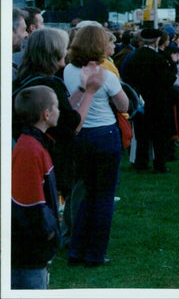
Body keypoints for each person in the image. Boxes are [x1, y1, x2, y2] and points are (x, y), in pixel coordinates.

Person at [13, 27, 104, 243]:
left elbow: (60, 114)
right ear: (53, 52)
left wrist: (81, 88)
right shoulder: (49, 84)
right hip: (49, 156)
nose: (68, 51)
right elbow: (71, 125)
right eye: (65, 47)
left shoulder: (29, 78)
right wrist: (90, 92)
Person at [63, 24, 129, 267]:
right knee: (103, 197)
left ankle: (76, 249)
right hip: (105, 133)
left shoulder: (68, 70)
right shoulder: (106, 74)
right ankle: (95, 253)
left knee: (87, 195)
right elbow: (124, 105)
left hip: (81, 135)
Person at [11, 86, 61, 289]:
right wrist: (48, 235)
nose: (60, 110)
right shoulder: (30, 151)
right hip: (29, 255)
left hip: (32, 250)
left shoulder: (35, 144)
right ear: (46, 114)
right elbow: (30, 206)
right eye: (56, 105)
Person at [122, 28, 178, 173]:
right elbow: (169, 79)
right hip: (158, 101)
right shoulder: (159, 59)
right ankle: (160, 164)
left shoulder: (134, 57)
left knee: (142, 135)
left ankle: (141, 162)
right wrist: (173, 65)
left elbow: (126, 78)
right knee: (160, 135)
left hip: (140, 100)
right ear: (156, 41)